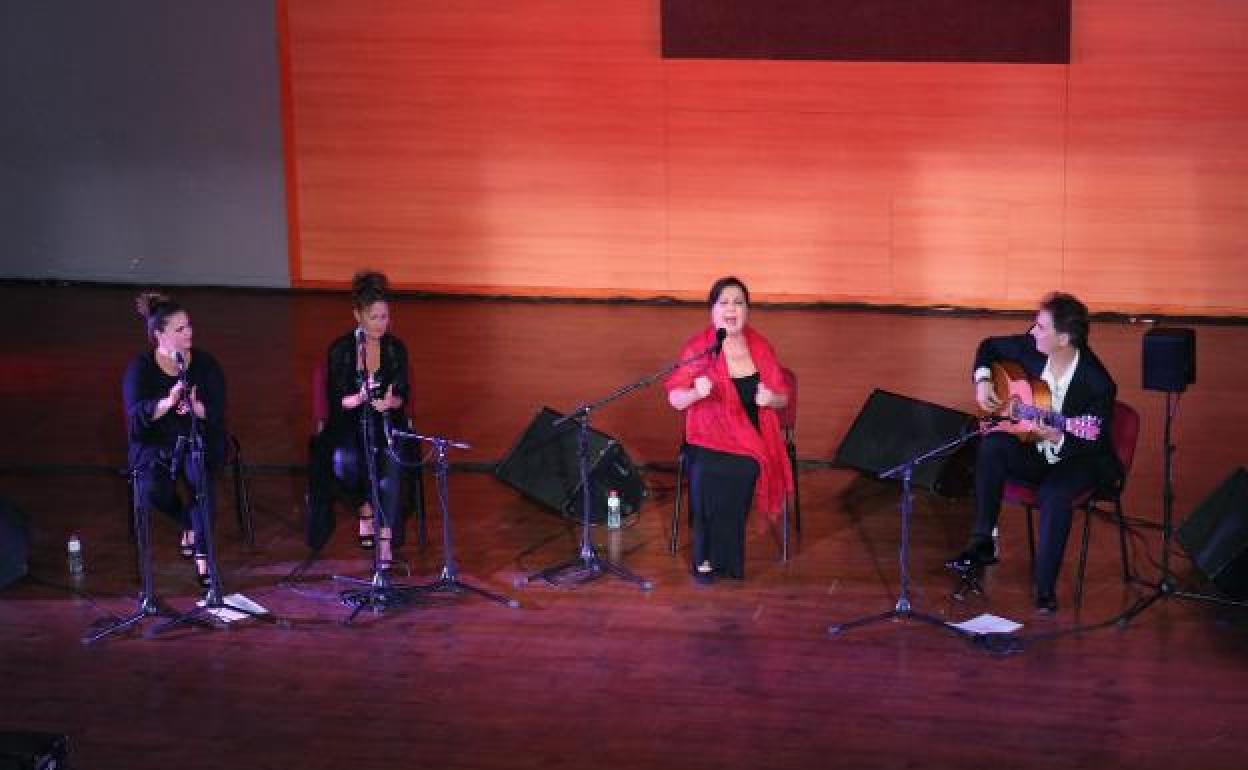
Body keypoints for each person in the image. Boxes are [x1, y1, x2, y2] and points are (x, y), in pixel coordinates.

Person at [946, 292, 1121, 613]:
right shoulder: (1031, 347)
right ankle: (983, 540)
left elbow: (1092, 442)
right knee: (993, 444)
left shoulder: (1098, 384)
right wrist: (983, 382)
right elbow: (989, 347)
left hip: (1075, 459)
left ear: (1063, 339)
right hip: (1032, 448)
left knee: (1054, 496)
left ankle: (1045, 589)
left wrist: (1057, 435)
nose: (1032, 332)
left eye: (1041, 328)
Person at [665, 276, 794, 583]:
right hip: (708, 435)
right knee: (705, 471)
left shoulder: (760, 347)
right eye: (724, 303)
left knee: (743, 470)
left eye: (738, 303)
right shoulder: (699, 348)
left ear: (747, 310)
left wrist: (771, 398)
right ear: (712, 311)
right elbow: (675, 399)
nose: (731, 309)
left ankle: (728, 558)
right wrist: (696, 392)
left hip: (753, 435)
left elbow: (783, 396)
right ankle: (705, 556)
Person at [123, 292, 226, 588]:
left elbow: (218, 408)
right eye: (179, 329)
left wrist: (197, 408)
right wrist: (168, 403)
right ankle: (189, 523)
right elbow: (136, 415)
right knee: (153, 487)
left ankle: (204, 555)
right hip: (157, 442)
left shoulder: (205, 364)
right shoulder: (140, 369)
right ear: (159, 335)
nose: (189, 333)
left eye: (189, 326)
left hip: (196, 436)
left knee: (201, 478)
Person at [308, 271, 410, 568]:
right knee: (347, 460)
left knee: (392, 461)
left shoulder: (395, 348)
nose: (382, 323)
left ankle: (386, 537)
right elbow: (336, 398)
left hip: (386, 421)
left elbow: (403, 391)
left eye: (385, 317)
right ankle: (365, 507)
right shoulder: (341, 349)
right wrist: (360, 398)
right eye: (375, 317)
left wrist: (392, 401)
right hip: (349, 420)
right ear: (358, 316)